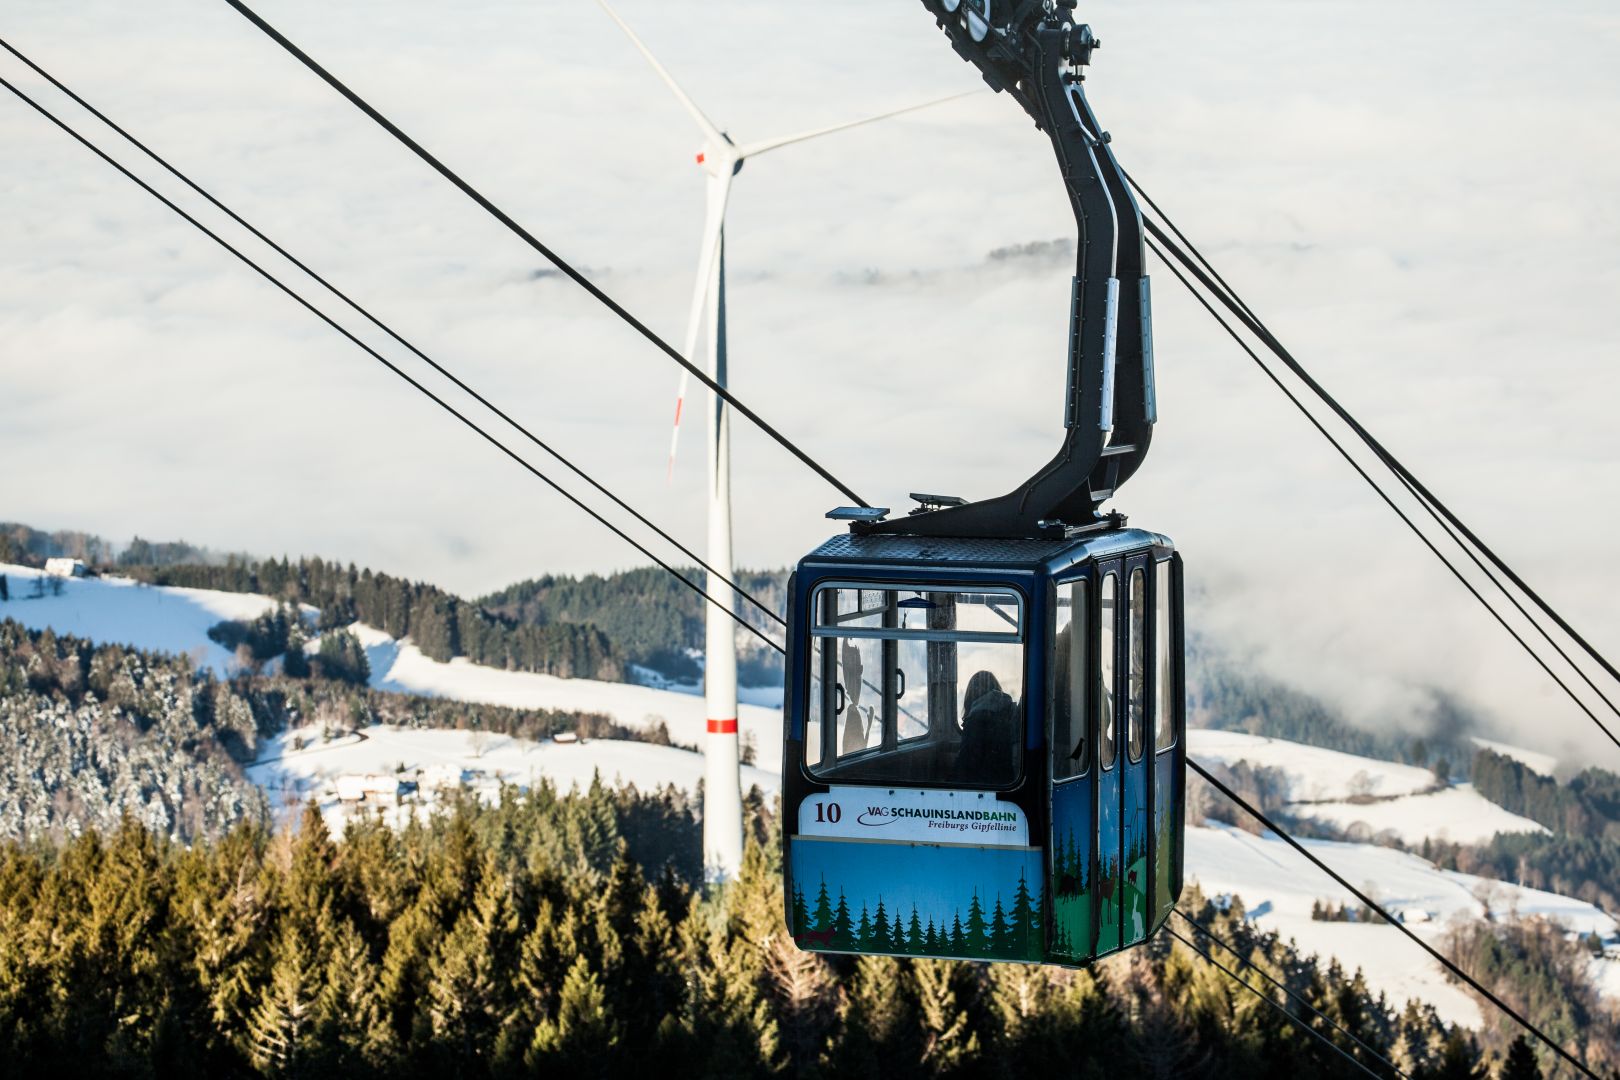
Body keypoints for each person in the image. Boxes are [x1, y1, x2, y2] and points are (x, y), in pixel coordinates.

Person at [956, 670, 1018, 781]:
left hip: (985, 785)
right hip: (1008, 780)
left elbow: (965, 766)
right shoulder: (1011, 712)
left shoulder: (975, 722)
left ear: (970, 696)